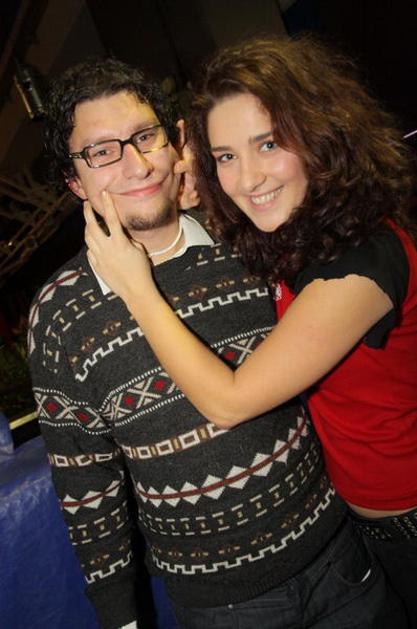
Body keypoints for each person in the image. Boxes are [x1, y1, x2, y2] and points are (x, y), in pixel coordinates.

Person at [26, 55, 398, 629]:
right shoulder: (58, 313)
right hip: (222, 606)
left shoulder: (252, 239)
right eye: (102, 151)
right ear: (76, 182)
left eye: (145, 136)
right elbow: (84, 479)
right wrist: (121, 616)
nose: (136, 164)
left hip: (340, 557)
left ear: (175, 143)